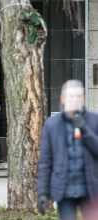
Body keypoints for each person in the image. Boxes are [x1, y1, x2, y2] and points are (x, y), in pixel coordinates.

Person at [37, 80, 98, 220]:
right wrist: (42, 192)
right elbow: (45, 162)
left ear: (83, 98)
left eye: (78, 96)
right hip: (64, 190)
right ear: (63, 98)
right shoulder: (52, 124)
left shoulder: (94, 121)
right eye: (71, 96)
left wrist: (85, 130)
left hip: (91, 189)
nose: (75, 100)